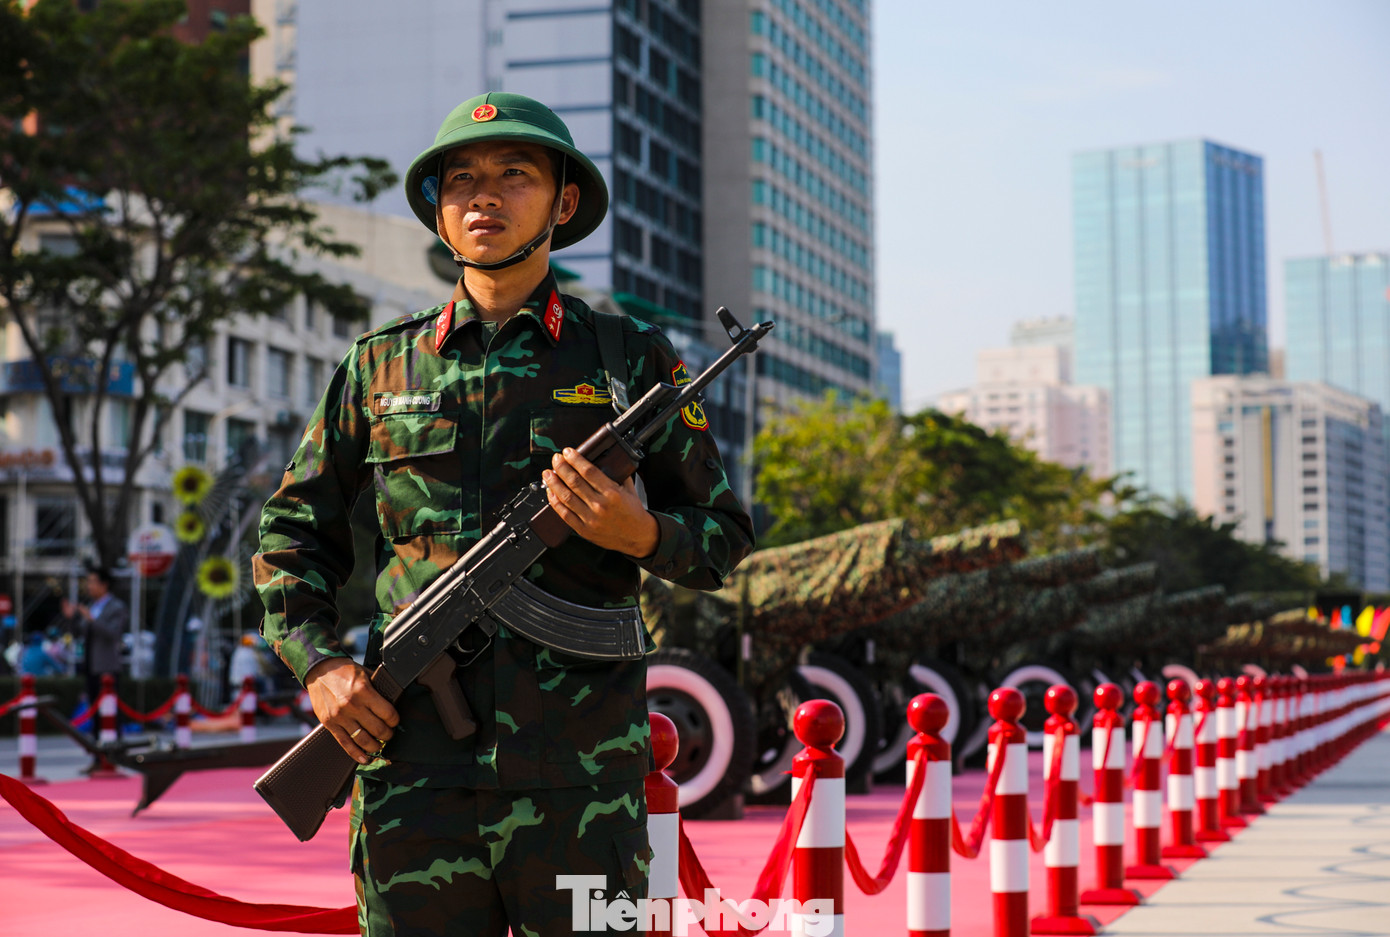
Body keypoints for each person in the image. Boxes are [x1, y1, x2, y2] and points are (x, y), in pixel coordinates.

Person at [254, 92, 754, 936]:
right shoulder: (378, 365)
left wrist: (640, 534)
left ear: (562, 201)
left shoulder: (631, 358)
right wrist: (320, 668)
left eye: (513, 175)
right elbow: (290, 533)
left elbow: (722, 537)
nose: (484, 196)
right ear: (439, 211)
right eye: (462, 179)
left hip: (582, 780)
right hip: (413, 776)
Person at [61, 567, 128, 716]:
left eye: (92, 582)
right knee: (94, 708)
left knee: (109, 712)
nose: (88, 586)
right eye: (88, 582)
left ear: (104, 584)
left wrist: (92, 619)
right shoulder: (92, 606)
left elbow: (113, 633)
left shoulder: (116, 607)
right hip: (90, 664)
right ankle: (96, 738)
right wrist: (71, 618)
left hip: (107, 666)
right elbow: (79, 633)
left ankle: (112, 738)